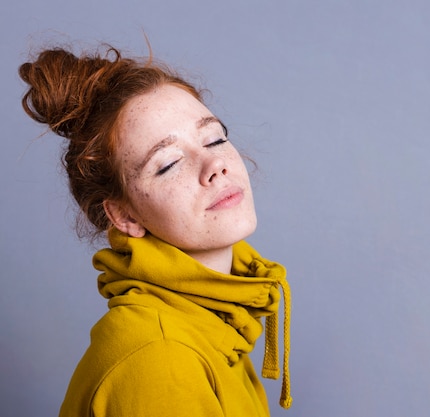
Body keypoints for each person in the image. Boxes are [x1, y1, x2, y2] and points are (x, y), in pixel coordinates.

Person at [19, 44, 292, 416]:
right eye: (168, 164)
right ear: (124, 216)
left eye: (214, 138)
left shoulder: (222, 314)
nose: (214, 163)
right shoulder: (159, 356)